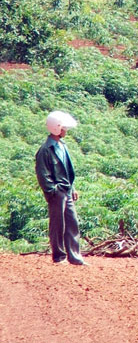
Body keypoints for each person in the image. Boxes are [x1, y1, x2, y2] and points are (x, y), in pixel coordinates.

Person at [35, 110, 87, 266]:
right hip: (57, 192)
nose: (66, 131)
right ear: (57, 128)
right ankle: (59, 256)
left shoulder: (62, 145)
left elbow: (67, 170)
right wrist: (53, 191)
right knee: (58, 224)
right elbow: (42, 174)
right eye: (63, 128)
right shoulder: (45, 150)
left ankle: (75, 256)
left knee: (72, 223)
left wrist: (72, 188)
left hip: (66, 190)